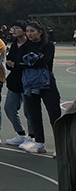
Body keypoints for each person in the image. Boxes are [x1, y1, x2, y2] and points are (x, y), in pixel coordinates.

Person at [20, 22, 61, 154]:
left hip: (47, 83)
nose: (29, 34)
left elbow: (43, 61)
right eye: (27, 31)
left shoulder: (48, 45)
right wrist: (32, 60)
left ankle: (60, 146)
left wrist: (28, 62)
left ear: (40, 32)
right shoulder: (25, 46)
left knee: (54, 115)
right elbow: (16, 62)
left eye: (32, 31)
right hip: (30, 84)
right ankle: (39, 143)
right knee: (34, 115)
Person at [3, 21, 33, 148]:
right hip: (14, 82)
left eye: (17, 28)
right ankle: (21, 134)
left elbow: (30, 63)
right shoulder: (15, 44)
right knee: (9, 108)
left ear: (24, 30)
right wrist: (9, 64)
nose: (14, 30)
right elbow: (10, 61)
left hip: (27, 83)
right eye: (13, 28)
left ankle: (32, 137)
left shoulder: (31, 45)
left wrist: (16, 65)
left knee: (29, 112)